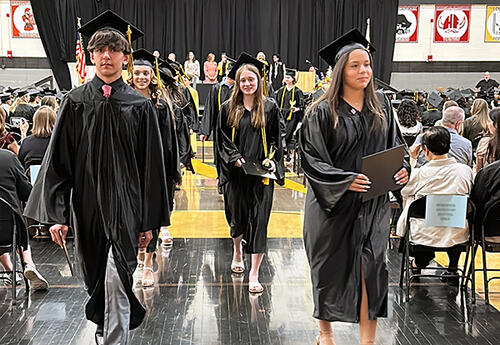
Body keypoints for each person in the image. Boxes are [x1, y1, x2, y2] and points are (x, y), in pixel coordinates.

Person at [23, 11, 170, 345]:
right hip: (86, 207)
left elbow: (152, 171)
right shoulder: (74, 102)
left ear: (124, 56)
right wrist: (57, 216)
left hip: (128, 208)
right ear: (90, 56)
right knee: (94, 279)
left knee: (119, 275)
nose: (107, 55)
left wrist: (149, 222)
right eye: (100, 49)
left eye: (113, 49)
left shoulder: (139, 106)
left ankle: (112, 339)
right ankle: (105, 332)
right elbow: (59, 162)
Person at [299, 29, 409, 345]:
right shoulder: (322, 111)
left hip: (372, 204)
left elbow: (397, 148)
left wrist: (402, 170)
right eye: (355, 66)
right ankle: (325, 334)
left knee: (372, 272)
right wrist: (345, 181)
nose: (364, 71)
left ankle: (368, 342)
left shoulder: (383, 107)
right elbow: (311, 159)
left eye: (367, 64)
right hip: (331, 206)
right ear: (340, 72)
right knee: (327, 270)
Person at [216, 53, 284, 294]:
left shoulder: (269, 107)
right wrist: (234, 158)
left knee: (260, 221)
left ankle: (254, 273)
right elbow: (222, 140)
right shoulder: (228, 108)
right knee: (237, 218)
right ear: (237, 81)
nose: (246, 83)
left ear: (258, 81)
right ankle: (237, 252)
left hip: (262, 176)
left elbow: (277, 138)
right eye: (242, 79)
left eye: (251, 79)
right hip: (236, 174)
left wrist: (273, 159)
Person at [129, 49, 181, 287]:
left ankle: (148, 263)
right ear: (130, 75)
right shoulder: (124, 103)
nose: (141, 77)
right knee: (134, 217)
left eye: (145, 73)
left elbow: (170, 142)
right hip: (130, 171)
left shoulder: (161, 107)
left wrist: (174, 172)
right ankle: (138, 257)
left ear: (153, 76)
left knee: (152, 216)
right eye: (137, 73)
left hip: (156, 171)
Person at [397, 127, 473, 284]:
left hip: (424, 234)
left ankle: (418, 264)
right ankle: (453, 268)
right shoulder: (465, 172)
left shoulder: (419, 173)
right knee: (452, 219)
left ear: (425, 149)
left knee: (415, 204)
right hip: (456, 234)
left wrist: (411, 160)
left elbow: (404, 191)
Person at [0, 148, 49, 291]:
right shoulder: (8, 158)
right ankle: (28, 264)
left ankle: (10, 271)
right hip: (9, 228)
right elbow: (27, 192)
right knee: (15, 221)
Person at [200, 57, 235, 185]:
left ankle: (231, 182)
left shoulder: (238, 89)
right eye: (229, 72)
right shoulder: (217, 88)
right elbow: (210, 109)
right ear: (226, 72)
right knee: (220, 156)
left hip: (236, 129)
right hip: (219, 129)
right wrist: (205, 131)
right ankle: (221, 181)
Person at [275, 68, 304, 160]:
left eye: (288, 77)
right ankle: (283, 152)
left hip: (292, 117)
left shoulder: (297, 91)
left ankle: (286, 151)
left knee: (287, 133)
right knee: (279, 133)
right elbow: (276, 103)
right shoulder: (281, 90)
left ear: (292, 79)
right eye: (285, 77)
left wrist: (297, 109)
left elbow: (302, 105)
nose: (286, 79)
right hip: (282, 115)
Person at [18, 106, 56, 170]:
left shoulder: (26, 142)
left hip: (31, 179)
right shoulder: (60, 142)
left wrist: (23, 134)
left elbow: (20, 165)